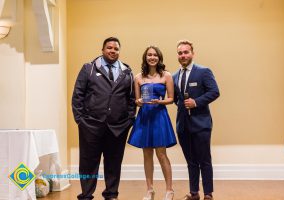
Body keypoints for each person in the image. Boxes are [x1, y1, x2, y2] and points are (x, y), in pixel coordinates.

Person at [72, 37, 136, 200]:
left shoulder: (127, 71)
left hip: (117, 127)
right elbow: (78, 95)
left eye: (116, 49)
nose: (112, 51)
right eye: (109, 48)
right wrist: (80, 120)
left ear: (119, 51)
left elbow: (131, 98)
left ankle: (111, 194)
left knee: (114, 163)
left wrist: (129, 120)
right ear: (102, 50)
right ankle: (86, 194)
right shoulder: (89, 68)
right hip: (90, 126)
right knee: (88, 163)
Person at [128, 46, 177, 200]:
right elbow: (136, 101)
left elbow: (171, 98)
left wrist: (160, 101)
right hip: (144, 117)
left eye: (155, 55)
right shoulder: (138, 77)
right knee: (147, 154)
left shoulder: (167, 75)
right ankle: (150, 190)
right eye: (149, 55)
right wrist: (139, 101)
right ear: (145, 57)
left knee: (161, 154)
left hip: (159, 116)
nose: (152, 57)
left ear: (159, 57)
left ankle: (169, 190)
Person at [172, 40, 220, 200]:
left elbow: (214, 91)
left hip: (201, 124)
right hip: (183, 126)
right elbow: (175, 99)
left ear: (192, 53)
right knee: (191, 161)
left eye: (186, 52)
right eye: (180, 53)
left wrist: (196, 102)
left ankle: (208, 194)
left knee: (204, 160)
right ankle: (194, 193)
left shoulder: (204, 71)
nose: (183, 55)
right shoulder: (174, 76)